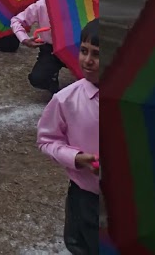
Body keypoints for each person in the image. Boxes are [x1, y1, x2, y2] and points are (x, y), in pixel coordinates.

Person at [36, 21, 100, 255]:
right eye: (84, 51)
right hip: (86, 196)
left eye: (97, 54)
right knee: (82, 244)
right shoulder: (66, 99)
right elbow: (46, 141)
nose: (88, 60)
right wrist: (76, 157)